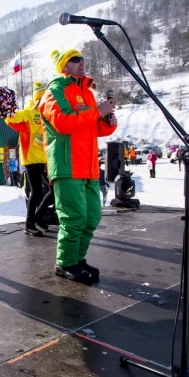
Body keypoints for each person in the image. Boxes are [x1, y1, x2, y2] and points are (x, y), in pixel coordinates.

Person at [40, 49, 117, 284]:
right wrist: (96, 112)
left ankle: (77, 258)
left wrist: (107, 122)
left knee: (91, 217)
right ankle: (65, 263)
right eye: (75, 59)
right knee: (73, 219)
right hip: (67, 164)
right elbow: (63, 123)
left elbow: (95, 128)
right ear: (64, 65)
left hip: (90, 165)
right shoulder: (54, 91)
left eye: (82, 58)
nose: (81, 62)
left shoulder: (89, 93)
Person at [5, 81, 54, 236]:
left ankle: (38, 216)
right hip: (31, 159)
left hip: (45, 159)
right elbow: (11, 118)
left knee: (55, 190)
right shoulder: (28, 114)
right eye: (45, 96)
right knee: (36, 192)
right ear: (39, 97)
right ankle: (29, 223)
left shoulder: (47, 114)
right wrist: (5, 108)